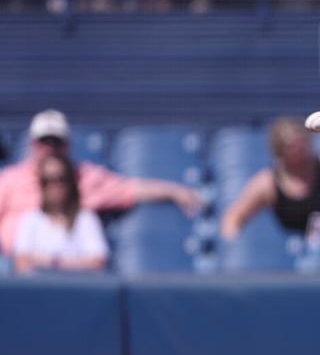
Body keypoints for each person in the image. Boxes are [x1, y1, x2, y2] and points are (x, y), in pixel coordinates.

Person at [0, 110, 201, 256]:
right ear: (34, 145)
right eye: (44, 142)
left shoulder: (87, 179)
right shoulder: (10, 179)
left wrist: (175, 190)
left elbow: (131, 188)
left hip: (70, 269)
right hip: (18, 270)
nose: (50, 148)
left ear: (67, 145)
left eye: (56, 142)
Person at [220, 117, 320, 240]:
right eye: (292, 148)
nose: (299, 154)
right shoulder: (267, 183)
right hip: (291, 256)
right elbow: (233, 217)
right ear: (279, 151)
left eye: (302, 146)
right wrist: (234, 242)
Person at [12, 154, 108, 274]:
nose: (54, 186)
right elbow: (21, 262)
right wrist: (75, 263)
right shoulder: (31, 219)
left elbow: (97, 262)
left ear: (70, 182)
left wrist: (51, 262)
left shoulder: (86, 218)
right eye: (47, 180)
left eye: (60, 179)